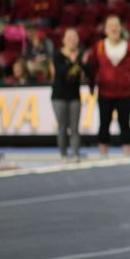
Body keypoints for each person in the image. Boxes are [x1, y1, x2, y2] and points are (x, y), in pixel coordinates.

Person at [85, 15, 130, 158]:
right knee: (104, 123)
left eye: (116, 25)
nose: (113, 28)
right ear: (105, 29)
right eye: (110, 25)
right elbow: (93, 67)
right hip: (105, 92)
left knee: (125, 123)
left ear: (121, 28)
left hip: (125, 93)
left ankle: (127, 153)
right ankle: (103, 153)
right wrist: (92, 86)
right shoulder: (99, 46)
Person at [50, 28, 83, 162]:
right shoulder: (57, 55)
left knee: (75, 127)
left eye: (74, 37)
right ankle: (63, 154)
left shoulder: (81, 55)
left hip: (75, 95)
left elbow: (86, 70)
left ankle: (76, 154)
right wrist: (71, 61)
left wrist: (80, 61)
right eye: (68, 38)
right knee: (62, 127)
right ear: (63, 40)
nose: (71, 40)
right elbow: (60, 72)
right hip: (59, 96)